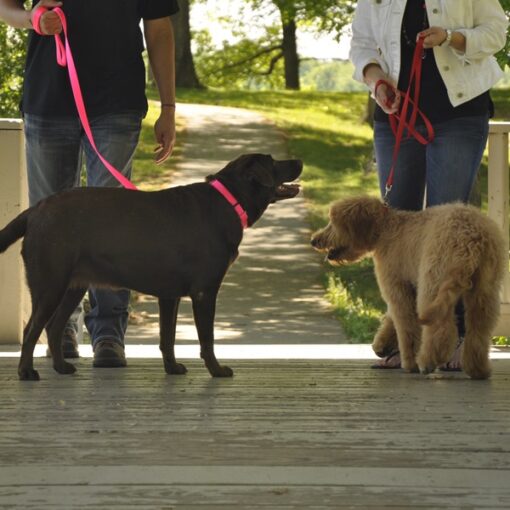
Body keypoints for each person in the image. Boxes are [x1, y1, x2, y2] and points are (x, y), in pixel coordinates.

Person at [0, 0, 179, 367]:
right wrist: (32, 19)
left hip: (118, 102)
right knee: (51, 229)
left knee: (113, 225)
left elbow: (159, 29)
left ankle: (109, 332)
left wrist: (169, 107)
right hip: (46, 99)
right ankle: (57, 328)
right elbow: (6, 7)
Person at [349, 0, 508, 369]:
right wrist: (377, 81)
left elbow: (496, 31)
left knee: (451, 234)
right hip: (394, 114)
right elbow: (362, 46)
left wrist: (452, 37)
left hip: (459, 113)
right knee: (394, 230)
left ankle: (456, 339)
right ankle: (405, 339)